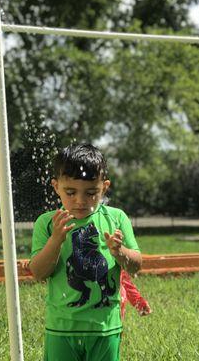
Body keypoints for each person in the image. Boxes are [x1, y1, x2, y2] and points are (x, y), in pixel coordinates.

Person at [29, 143, 142, 361]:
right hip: (61, 328)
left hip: (105, 328)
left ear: (104, 187)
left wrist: (119, 252)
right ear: (56, 186)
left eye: (91, 193)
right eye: (70, 192)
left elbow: (136, 265)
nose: (80, 201)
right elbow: (39, 272)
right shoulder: (47, 223)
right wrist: (55, 241)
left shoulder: (116, 218)